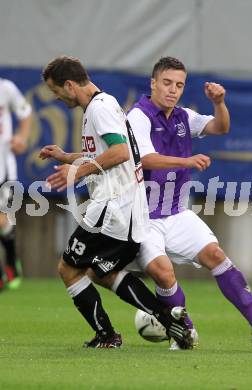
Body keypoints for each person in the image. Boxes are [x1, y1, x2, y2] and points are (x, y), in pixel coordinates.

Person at [124, 56, 252, 349]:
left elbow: (220, 127)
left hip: (176, 212)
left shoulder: (182, 116)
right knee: (162, 271)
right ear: (153, 83)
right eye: (167, 83)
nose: (173, 90)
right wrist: (186, 160)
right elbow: (144, 159)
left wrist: (219, 103)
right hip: (144, 217)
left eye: (179, 85)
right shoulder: (138, 116)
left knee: (216, 255)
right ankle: (185, 331)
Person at [40, 55, 193, 349]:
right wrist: (68, 156)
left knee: (68, 269)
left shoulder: (99, 110)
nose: (56, 97)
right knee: (102, 271)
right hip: (127, 209)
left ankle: (108, 336)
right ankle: (169, 319)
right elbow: (109, 153)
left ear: (69, 85)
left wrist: (78, 171)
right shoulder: (103, 105)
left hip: (113, 208)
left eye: (55, 90)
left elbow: (121, 152)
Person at [0, 78, 32, 291]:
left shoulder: (6, 88)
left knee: (2, 223)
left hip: (3, 168)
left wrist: (22, 136)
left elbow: (25, 113)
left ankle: (11, 264)